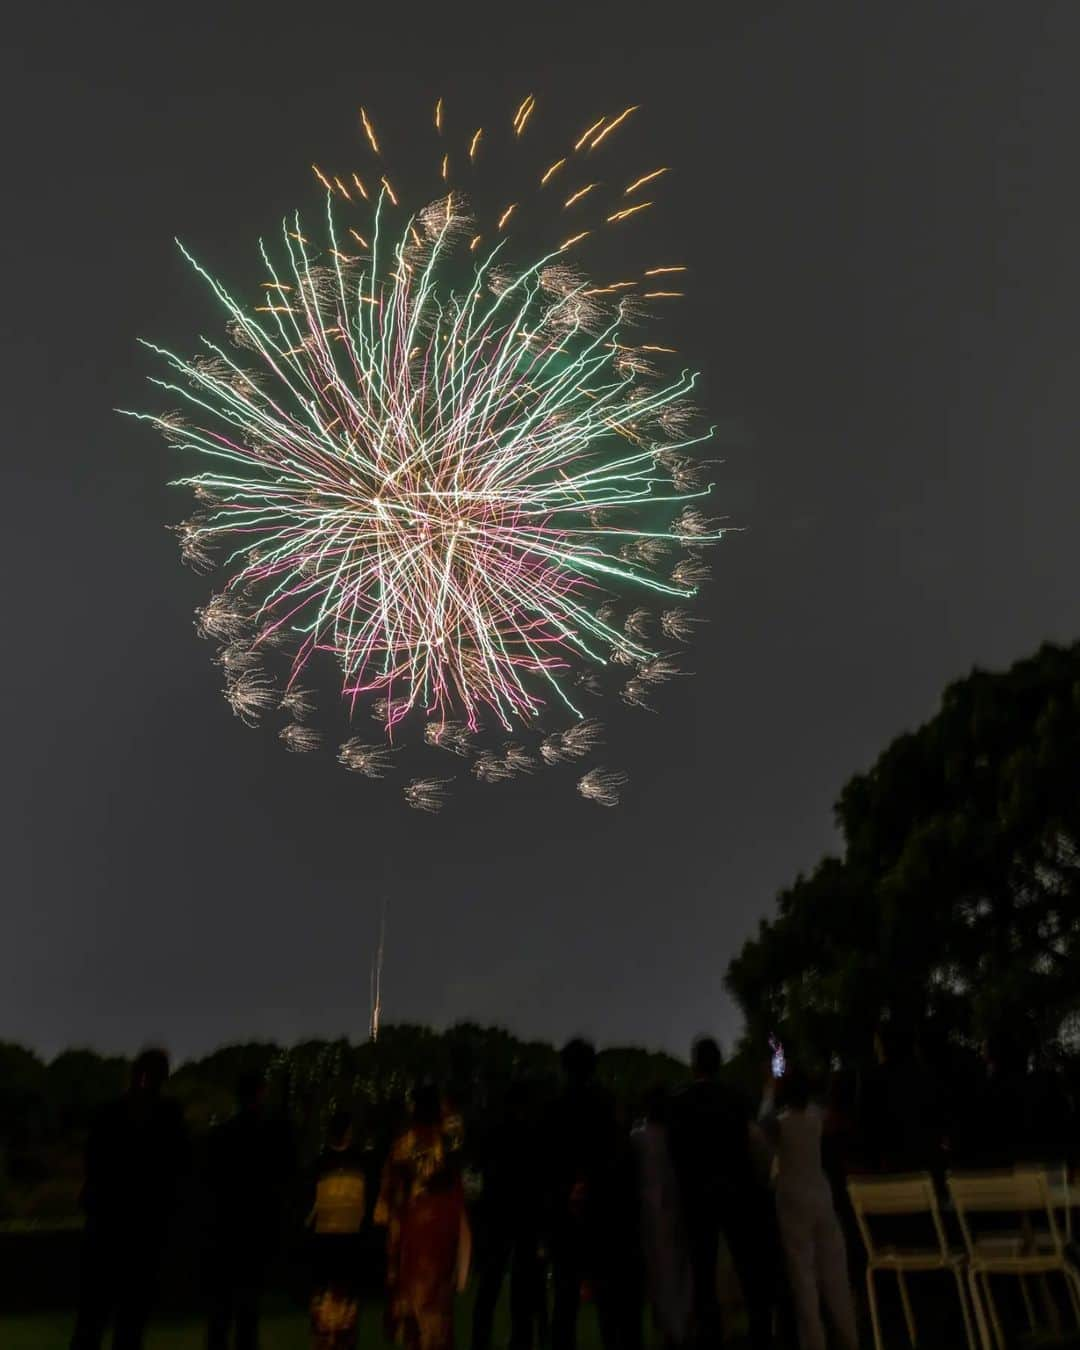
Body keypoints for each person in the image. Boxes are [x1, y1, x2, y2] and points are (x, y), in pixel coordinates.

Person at [71, 1048, 190, 1350]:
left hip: (107, 1227)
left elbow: (93, 1165)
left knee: (93, 1318)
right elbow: (179, 1170)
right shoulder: (168, 1117)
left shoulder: (110, 1114)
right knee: (129, 1322)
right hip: (143, 1232)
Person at [666, 1037, 780, 1350]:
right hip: (735, 1190)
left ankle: (710, 1332)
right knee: (747, 1265)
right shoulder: (736, 1097)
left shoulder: (679, 1102)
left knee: (703, 1271)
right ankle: (759, 1329)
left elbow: (674, 1151)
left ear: (694, 1065)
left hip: (697, 1195)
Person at [758, 1067, 858, 1350]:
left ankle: (814, 1341)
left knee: (803, 1277)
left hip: (793, 1199)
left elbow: (762, 1124)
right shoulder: (817, 1118)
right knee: (835, 1272)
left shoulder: (780, 1124)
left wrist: (767, 1093)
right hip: (821, 1195)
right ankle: (848, 1335)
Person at [543, 1039, 627, 1350]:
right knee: (607, 1303)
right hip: (602, 1211)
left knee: (564, 1302)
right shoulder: (607, 1105)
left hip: (564, 1215)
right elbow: (616, 1156)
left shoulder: (554, 1108)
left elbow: (547, 1162)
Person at [204, 1071, 295, 1350]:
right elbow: (284, 1170)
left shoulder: (222, 1135)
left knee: (222, 1313)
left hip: (225, 1231)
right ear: (260, 1094)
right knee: (246, 1312)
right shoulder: (265, 1134)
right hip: (252, 1233)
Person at [376, 1084, 471, 1350]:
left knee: (414, 1319)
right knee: (437, 1315)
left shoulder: (402, 1146)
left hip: (412, 1237)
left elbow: (387, 1201)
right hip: (440, 1237)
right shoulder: (447, 1146)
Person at [471, 1081, 545, 1350]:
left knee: (489, 1287)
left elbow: (480, 1167)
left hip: (497, 1215)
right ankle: (521, 1339)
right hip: (523, 1216)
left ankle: (481, 1340)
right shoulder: (532, 1133)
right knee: (521, 1289)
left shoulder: (494, 1133)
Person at [631, 1088, 692, 1348]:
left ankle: (670, 1330)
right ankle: (677, 1328)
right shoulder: (677, 1136)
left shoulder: (639, 1138)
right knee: (676, 1273)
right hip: (674, 1208)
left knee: (660, 1275)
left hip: (651, 1212)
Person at [308, 1110, 370, 1350]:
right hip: (337, 1242)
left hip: (337, 1242)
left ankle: (337, 1340)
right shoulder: (353, 1163)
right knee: (334, 1299)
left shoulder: (322, 1163)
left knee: (341, 1300)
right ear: (348, 1132)